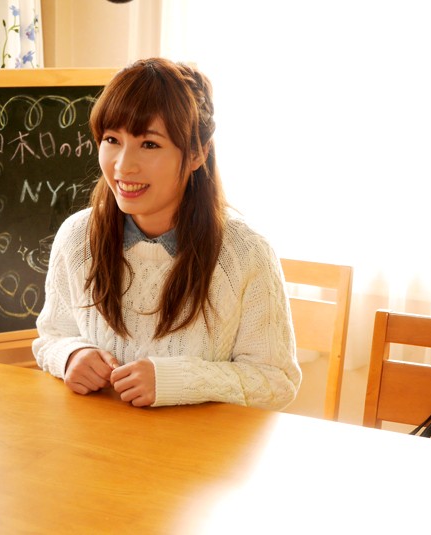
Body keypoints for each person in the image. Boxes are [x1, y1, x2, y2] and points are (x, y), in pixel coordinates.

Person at [32, 57, 301, 410]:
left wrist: (178, 380)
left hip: (200, 444)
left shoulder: (245, 253)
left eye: (149, 144)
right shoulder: (77, 237)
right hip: (99, 441)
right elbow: (52, 335)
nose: (123, 165)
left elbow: (276, 381)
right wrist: (71, 355)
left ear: (197, 153)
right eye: (112, 139)